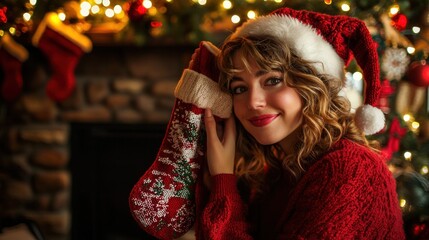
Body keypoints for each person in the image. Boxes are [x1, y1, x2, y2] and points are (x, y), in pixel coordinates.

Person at [198, 7, 405, 240]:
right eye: (240, 88)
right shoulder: (280, 172)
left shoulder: (349, 168)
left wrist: (223, 180)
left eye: (273, 80)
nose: (253, 102)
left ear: (312, 87)